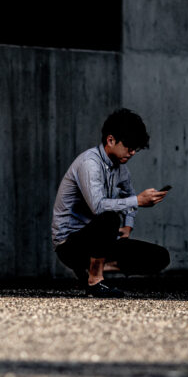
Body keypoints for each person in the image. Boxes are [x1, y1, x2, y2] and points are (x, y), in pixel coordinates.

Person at [52, 108, 170, 297]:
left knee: (160, 257)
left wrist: (128, 227)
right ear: (110, 140)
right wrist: (138, 201)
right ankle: (94, 281)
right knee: (109, 219)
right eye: (129, 146)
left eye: (136, 149)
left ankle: (90, 269)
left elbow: (129, 195)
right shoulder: (89, 164)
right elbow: (98, 206)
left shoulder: (121, 169)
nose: (132, 152)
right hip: (71, 245)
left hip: (100, 243)